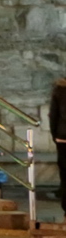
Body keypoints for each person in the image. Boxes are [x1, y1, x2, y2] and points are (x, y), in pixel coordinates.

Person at [50, 77, 66, 217]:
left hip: (63, 137)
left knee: (65, 173)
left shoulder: (60, 90)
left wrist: (55, 136)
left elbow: (53, 116)